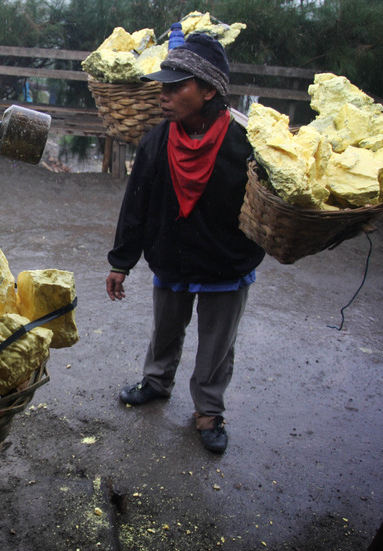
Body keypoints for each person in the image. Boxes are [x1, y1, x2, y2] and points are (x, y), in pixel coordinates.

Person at [105, 33, 264, 454]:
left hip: (226, 262)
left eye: (178, 86)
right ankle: (156, 382)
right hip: (172, 255)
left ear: (209, 90)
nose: (165, 93)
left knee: (217, 343)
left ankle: (209, 411)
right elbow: (135, 205)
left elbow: (268, 208)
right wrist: (121, 262)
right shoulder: (157, 141)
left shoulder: (246, 145)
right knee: (166, 329)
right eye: (164, 84)